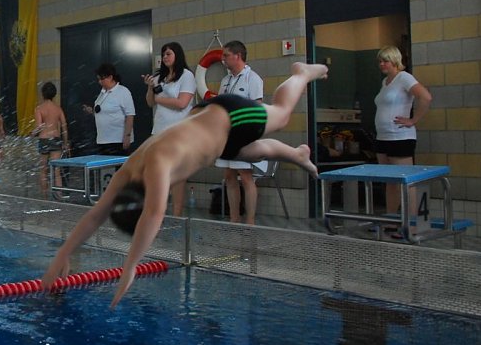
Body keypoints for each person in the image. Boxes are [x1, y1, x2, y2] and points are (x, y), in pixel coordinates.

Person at [42, 62, 328, 308]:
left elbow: (153, 216)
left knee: (281, 114)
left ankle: (300, 74)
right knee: (248, 152)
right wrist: (62, 254)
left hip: (229, 116)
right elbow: (97, 213)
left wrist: (129, 269)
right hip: (214, 133)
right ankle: (297, 154)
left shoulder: (157, 165)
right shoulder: (128, 172)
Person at [374, 46, 432, 230]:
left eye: (385, 60)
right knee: (390, 183)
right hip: (382, 138)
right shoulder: (385, 82)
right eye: (380, 61)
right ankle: (392, 221)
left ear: (394, 61)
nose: (382, 64)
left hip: (400, 137)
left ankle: (412, 225)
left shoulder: (404, 77)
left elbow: (425, 97)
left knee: (406, 181)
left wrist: (413, 119)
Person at [142, 42, 196, 216]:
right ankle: (158, 212)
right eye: (163, 54)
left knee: (178, 175)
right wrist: (151, 88)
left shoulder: (187, 76)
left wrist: (159, 99)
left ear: (177, 55)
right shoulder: (159, 77)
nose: (165, 57)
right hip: (159, 130)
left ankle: (177, 214)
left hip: (179, 132)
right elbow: (150, 102)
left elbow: (182, 103)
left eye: (168, 54)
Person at [216, 40, 264, 225]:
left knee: (245, 175)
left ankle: (250, 220)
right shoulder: (225, 80)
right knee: (229, 175)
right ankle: (234, 218)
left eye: (226, 55)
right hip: (227, 135)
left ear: (238, 56)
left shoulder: (252, 79)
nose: (223, 59)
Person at [83, 63, 135, 155]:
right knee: (105, 167)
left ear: (110, 77)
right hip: (103, 139)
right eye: (98, 79)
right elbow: (102, 112)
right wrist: (91, 111)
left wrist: (127, 136)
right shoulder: (102, 93)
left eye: (102, 79)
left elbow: (130, 115)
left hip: (117, 139)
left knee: (120, 167)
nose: (99, 82)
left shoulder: (123, 91)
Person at [33, 82, 70, 199]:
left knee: (43, 170)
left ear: (43, 94)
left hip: (44, 139)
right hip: (56, 139)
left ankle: (44, 197)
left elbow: (39, 127)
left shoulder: (39, 109)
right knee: (57, 170)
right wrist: (65, 142)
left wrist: (33, 133)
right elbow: (64, 127)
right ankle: (59, 195)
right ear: (54, 94)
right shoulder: (58, 109)